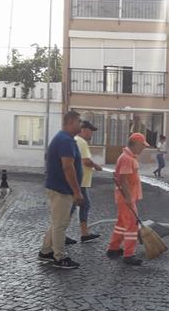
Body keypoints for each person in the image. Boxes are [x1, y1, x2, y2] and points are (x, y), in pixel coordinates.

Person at [38, 111, 84, 269]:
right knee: (60, 225)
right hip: (62, 189)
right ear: (70, 123)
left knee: (56, 222)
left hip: (58, 188)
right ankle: (59, 257)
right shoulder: (65, 140)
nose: (81, 124)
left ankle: (46, 251)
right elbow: (67, 167)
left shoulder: (65, 139)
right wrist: (77, 191)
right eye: (79, 121)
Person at [106, 133, 149, 266]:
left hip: (126, 198)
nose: (143, 148)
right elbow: (124, 179)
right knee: (131, 225)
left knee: (121, 224)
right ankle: (129, 255)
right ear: (135, 144)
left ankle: (113, 249)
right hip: (126, 199)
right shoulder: (127, 158)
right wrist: (129, 199)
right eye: (142, 145)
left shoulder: (128, 157)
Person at [65, 120, 103, 245]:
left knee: (80, 206)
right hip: (79, 181)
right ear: (85, 130)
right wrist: (96, 165)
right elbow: (86, 161)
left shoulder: (76, 140)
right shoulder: (81, 142)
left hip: (80, 180)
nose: (91, 134)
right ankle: (67, 234)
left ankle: (83, 233)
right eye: (91, 131)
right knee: (76, 207)